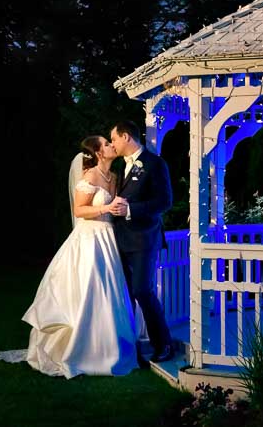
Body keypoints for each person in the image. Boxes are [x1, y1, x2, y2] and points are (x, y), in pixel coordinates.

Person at [13, 135, 138, 378]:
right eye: (107, 143)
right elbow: (79, 210)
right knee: (89, 289)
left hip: (108, 239)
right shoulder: (89, 176)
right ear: (99, 153)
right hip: (89, 240)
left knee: (109, 292)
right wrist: (105, 208)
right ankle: (80, 350)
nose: (112, 145)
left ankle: (107, 347)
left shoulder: (114, 177)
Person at [109, 120, 178, 364]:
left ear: (126, 136)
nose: (112, 144)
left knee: (142, 290)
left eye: (114, 139)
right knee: (125, 293)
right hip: (121, 240)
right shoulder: (120, 167)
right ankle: (131, 346)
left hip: (144, 239)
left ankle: (164, 344)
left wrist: (130, 210)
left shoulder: (155, 163)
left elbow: (164, 201)